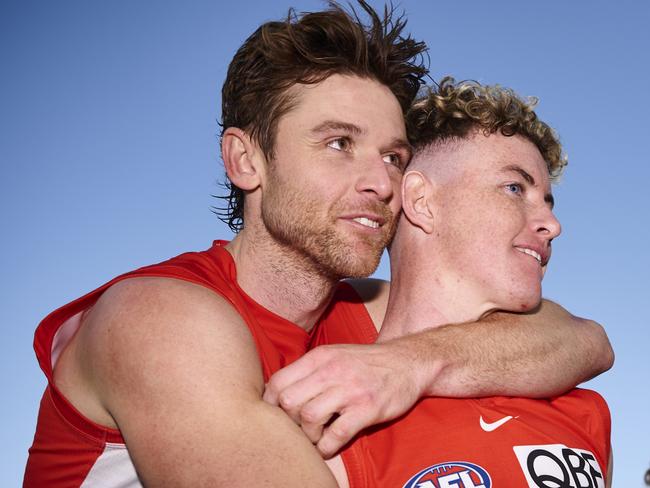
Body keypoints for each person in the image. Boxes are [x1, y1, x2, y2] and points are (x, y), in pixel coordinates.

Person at [24, 3, 612, 486]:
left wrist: (410, 364)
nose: (381, 183)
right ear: (246, 160)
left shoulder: (358, 315)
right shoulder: (161, 318)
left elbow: (579, 339)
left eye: (392, 157)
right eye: (337, 144)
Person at [300, 78, 612, 487]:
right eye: (514, 188)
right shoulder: (327, 411)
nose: (552, 225)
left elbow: (591, 340)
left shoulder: (584, 410)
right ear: (422, 201)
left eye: (548, 203)